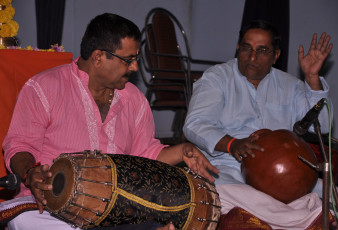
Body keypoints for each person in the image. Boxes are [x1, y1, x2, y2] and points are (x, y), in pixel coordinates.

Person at [1, 13, 218, 230]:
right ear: (98, 57)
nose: (134, 67)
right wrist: (31, 172)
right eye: (128, 60)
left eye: (136, 60)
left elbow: (145, 155)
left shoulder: (134, 100)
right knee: (26, 220)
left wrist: (182, 151)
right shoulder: (44, 87)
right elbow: (20, 145)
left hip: (116, 209)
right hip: (50, 206)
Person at [183, 20, 338, 229]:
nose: (252, 57)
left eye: (262, 50)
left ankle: (289, 213)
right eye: (246, 48)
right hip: (229, 167)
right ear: (238, 47)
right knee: (215, 193)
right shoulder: (217, 78)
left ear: (276, 55)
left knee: (336, 197)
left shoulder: (290, 85)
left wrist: (312, 78)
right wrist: (232, 144)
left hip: (283, 175)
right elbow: (195, 124)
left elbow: (320, 126)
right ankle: (298, 217)